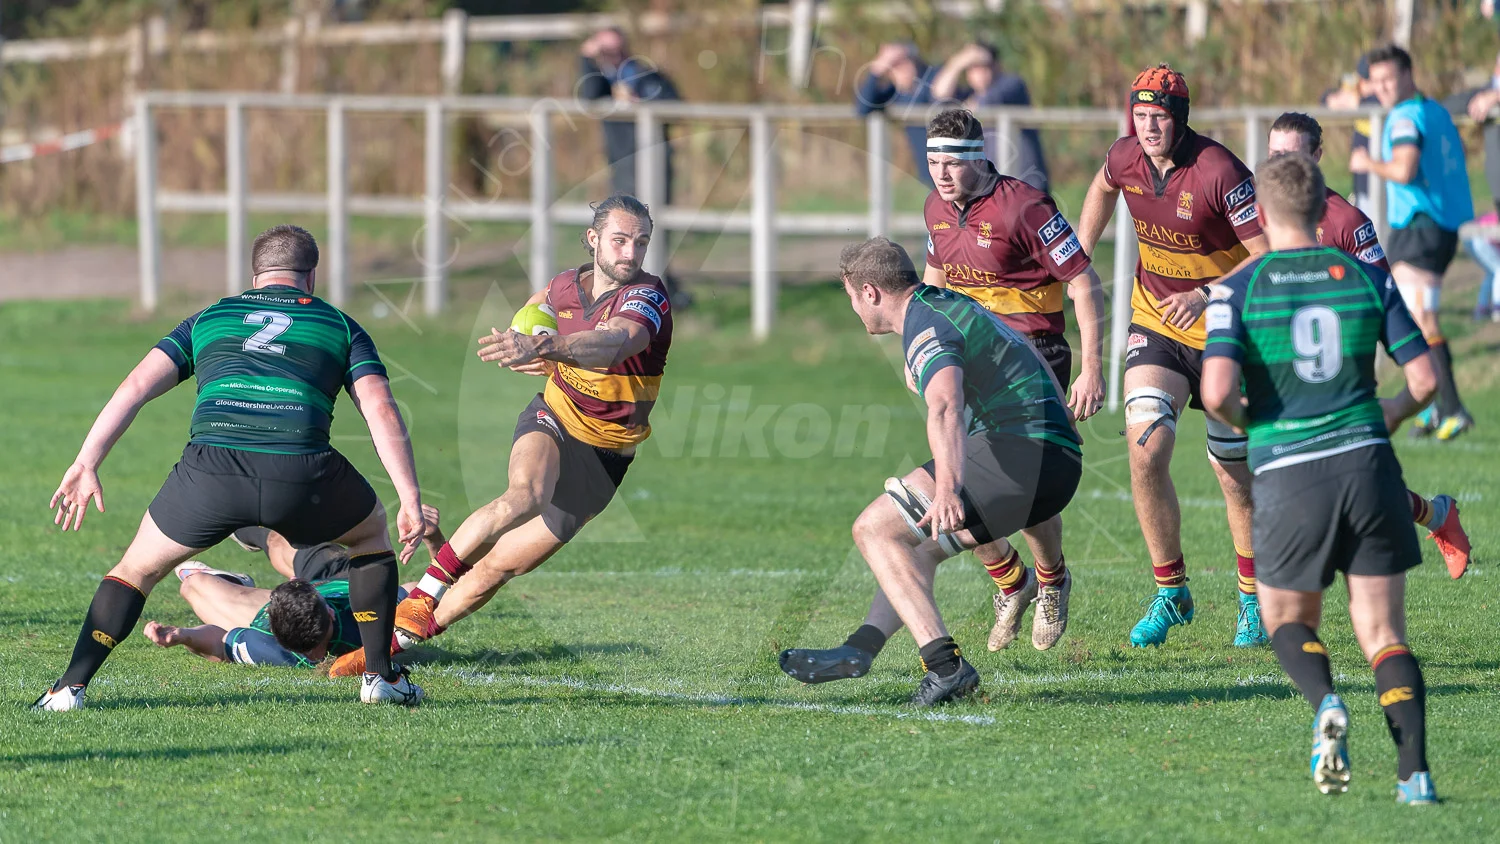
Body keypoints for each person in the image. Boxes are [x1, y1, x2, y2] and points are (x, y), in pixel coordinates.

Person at [33, 225, 426, 711]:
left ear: (255, 275)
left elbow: (136, 386)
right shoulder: (339, 325)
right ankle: (380, 677)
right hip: (303, 472)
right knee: (370, 539)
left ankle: (68, 689)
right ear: (312, 276)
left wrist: (86, 461)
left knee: (135, 570)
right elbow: (380, 407)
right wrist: (409, 496)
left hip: (211, 473)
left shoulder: (211, 317)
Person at [324, 195, 673, 677]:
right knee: (524, 494)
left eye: (641, 242)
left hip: (606, 456)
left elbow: (617, 342)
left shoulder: (647, 296)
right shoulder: (563, 286)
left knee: (501, 568)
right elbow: (533, 312)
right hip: (554, 415)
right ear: (592, 240)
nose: (630, 254)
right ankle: (422, 595)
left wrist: (547, 345)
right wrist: (521, 340)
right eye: (619, 240)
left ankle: (391, 646)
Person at [1200, 151, 1440, 804]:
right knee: (1384, 634)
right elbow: (1423, 380)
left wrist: (1258, 424)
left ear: (1263, 211)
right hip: (1368, 464)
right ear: (1319, 206)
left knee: (1285, 619)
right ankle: (1413, 776)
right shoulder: (1367, 277)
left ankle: (1326, 701)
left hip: (1289, 471)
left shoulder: (1238, 289)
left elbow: (1216, 391)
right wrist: (1383, 414)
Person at [779, 237, 1082, 705]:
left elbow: (944, 406)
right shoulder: (947, 302)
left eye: (851, 299)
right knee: (915, 551)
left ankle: (946, 667)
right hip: (1053, 461)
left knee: (874, 529)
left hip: (1019, 455)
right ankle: (859, 650)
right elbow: (1025, 347)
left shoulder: (925, 328)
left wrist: (947, 488)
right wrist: (1062, 421)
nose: (855, 311)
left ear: (869, 292)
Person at [1076, 64, 1269, 648]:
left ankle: (1252, 599)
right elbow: (1102, 185)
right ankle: (1171, 590)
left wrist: (1207, 292)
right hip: (1156, 323)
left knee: (1231, 473)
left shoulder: (1220, 171)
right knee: (1145, 447)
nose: (1149, 126)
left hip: (1226, 332)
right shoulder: (1125, 156)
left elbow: (1266, 253)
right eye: (1140, 115)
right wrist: (1079, 254)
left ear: (1180, 118)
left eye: (1159, 116)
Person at [920, 107, 1104, 651]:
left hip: (1035, 359)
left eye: (951, 163)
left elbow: (1084, 283)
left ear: (979, 158)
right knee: (951, 476)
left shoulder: (1025, 206)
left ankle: (1051, 581)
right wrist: (920, 353)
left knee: (1022, 489)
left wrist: (1092, 368)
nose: (941, 174)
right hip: (967, 361)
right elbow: (933, 287)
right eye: (932, 162)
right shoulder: (935, 208)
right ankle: (1011, 581)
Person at [1268, 113, 1472, 578]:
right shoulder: (1255, 215)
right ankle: (1435, 515)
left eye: (1293, 157)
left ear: (1317, 159)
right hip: (1277, 371)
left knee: (1337, 486)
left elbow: (1383, 299)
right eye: (1275, 157)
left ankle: (1433, 517)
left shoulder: (1346, 222)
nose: (1282, 168)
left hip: (1336, 372)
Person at [1351, 44, 1476, 441]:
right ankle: (1435, 406)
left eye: (1390, 78)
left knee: (1421, 319)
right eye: (1377, 81)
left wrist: (1367, 163)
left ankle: (1452, 409)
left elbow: (1404, 169)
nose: (1383, 87)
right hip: (1439, 224)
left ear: (1408, 75)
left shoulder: (1405, 116)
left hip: (1420, 225)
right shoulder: (1435, 110)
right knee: (1420, 316)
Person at [145, 510, 447, 668]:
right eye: (310, 650)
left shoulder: (366, 616)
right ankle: (240, 536)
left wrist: (183, 635)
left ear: (330, 613)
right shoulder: (273, 643)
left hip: (341, 577)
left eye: (316, 647)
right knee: (194, 584)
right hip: (299, 596)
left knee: (197, 582)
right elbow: (437, 592)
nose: (318, 658)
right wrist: (183, 636)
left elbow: (217, 643)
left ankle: (240, 522)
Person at [930, 42, 1050, 192]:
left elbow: (988, 102)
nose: (979, 72)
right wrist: (958, 62)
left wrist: (965, 107)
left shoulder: (1012, 85)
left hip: (1027, 184)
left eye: (985, 65)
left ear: (997, 65)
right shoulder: (969, 95)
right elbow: (939, 97)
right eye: (973, 67)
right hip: (993, 188)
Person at [855, 42, 943, 187]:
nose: (899, 70)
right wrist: (876, 70)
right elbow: (863, 108)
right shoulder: (895, 92)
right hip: (932, 176)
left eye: (902, 63)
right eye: (893, 66)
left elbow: (934, 96)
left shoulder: (933, 77)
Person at [1320, 56, 1380, 208]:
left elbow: (1375, 103)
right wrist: (1336, 99)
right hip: (1363, 186)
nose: (1371, 86)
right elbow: (1327, 99)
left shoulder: (1380, 99)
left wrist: (1356, 102)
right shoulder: (1356, 86)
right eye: (1366, 81)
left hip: (1382, 186)